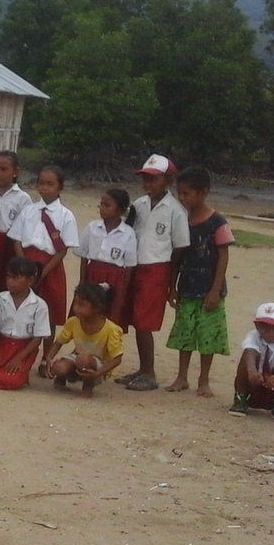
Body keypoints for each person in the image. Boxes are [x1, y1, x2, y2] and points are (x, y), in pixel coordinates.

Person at [119, 154, 189, 391]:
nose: (148, 184)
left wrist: (172, 283)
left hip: (157, 269)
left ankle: (149, 372)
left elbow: (179, 248)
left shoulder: (175, 211)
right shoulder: (138, 205)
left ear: (168, 180)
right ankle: (142, 368)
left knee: (144, 322)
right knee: (132, 317)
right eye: (145, 179)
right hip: (134, 266)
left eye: (154, 179)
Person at [164, 167, 235, 396]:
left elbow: (223, 256)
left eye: (187, 193)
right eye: (180, 194)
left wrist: (215, 290)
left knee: (208, 335)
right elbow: (176, 256)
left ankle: (203, 380)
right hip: (187, 285)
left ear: (203, 192)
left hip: (208, 287)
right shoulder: (180, 220)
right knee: (185, 333)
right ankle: (182, 376)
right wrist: (172, 286)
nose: (183, 198)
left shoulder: (216, 221)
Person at [12, 165, 78, 346]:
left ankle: (45, 358)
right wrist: (24, 267)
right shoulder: (29, 211)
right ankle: (21, 353)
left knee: (49, 313)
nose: (44, 188)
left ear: (60, 187)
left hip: (51, 267)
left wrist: (42, 272)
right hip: (26, 263)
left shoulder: (66, 216)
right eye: (41, 183)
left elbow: (62, 249)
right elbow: (17, 239)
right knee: (23, 309)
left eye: (50, 184)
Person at [0, 257, 51, 390]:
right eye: (8, 277)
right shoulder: (0, 299)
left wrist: (19, 358)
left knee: (12, 381)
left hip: (24, 348)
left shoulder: (39, 305)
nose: (10, 281)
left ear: (30, 280)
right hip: (2, 345)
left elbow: (37, 338)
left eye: (16, 278)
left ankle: (23, 373)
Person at [43, 282, 124, 397]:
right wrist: (49, 359)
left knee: (83, 359)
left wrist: (97, 374)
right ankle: (61, 378)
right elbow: (59, 342)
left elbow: (117, 359)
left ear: (97, 307)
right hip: (79, 358)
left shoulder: (111, 329)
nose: (76, 308)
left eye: (81, 305)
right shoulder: (73, 322)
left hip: (98, 365)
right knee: (60, 367)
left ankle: (88, 384)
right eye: (75, 303)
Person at [229, 303, 274, 425]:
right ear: (256, 326)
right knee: (246, 356)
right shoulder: (253, 336)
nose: (269, 331)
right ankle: (241, 398)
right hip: (254, 382)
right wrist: (252, 371)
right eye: (264, 326)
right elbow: (250, 350)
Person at [76, 189, 137, 332]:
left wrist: (123, 290)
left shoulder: (128, 233)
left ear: (120, 210)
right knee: (88, 311)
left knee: (110, 314)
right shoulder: (92, 227)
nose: (102, 208)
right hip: (93, 275)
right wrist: (82, 281)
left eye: (107, 205)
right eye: (101, 204)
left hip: (114, 279)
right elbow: (84, 256)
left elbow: (129, 266)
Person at [0, 150, 31, 300]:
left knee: (6, 284)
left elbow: (24, 229)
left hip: (10, 245)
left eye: (4, 169)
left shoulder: (23, 198)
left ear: (15, 172)